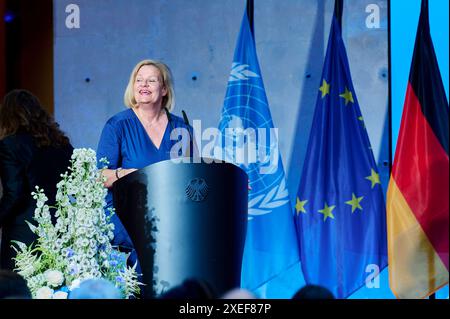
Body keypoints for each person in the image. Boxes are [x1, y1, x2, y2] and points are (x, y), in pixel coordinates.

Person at [96, 59, 193, 276]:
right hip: (128, 230)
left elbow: (193, 175)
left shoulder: (182, 127)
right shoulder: (117, 125)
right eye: (139, 80)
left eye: (151, 80)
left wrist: (228, 184)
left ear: (165, 89)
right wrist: (124, 174)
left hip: (171, 231)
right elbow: (99, 176)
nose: (144, 85)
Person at [0, 89, 74, 270]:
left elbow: (14, 193)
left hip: (24, 234)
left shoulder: (9, 145)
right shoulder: (62, 144)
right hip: (60, 229)